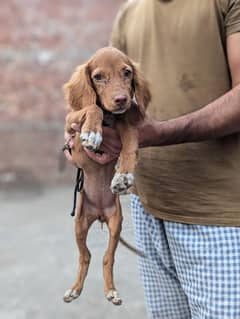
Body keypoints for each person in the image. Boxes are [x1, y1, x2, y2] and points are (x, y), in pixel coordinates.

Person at [65, 1, 240, 318]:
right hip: (146, 208)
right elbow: (109, 97)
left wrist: (160, 133)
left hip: (219, 216)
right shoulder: (131, 10)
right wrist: (86, 136)